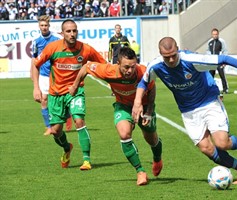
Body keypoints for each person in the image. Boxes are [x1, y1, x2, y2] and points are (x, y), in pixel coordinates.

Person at [132, 37, 237, 184]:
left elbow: (224, 58)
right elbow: (144, 82)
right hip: (188, 111)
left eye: (174, 55)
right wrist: (137, 102)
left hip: (209, 102)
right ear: (160, 54)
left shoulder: (192, 59)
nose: (171, 60)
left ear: (178, 48)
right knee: (206, 149)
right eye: (167, 57)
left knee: (222, 143)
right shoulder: (156, 66)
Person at [69, 47, 163, 186]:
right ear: (118, 63)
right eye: (126, 67)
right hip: (123, 106)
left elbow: (152, 89)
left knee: (151, 139)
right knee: (124, 135)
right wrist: (75, 86)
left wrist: (149, 111)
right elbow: (86, 67)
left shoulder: (143, 71)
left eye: (133, 66)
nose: (130, 71)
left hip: (144, 107)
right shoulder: (108, 71)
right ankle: (140, 171)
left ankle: (157, 158)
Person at [32, 19, 107, 170]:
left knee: (79, 120)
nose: (72, 34)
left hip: (75, 91)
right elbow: (35, 65)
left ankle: (86, 160)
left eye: (74, 31)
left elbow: (104, 65)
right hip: (56, 94)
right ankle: (67, 148)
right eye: (68, 31)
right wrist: (36, 87)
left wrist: (113, 84)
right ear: (62, 33)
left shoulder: (86, 49)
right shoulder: (52, 48)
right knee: (55, 130)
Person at [30, 15, 67, 136]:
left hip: (57, 74)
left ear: (49, 25)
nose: (44, 27)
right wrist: (32, 76)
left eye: (46, 25)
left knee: (60, 99)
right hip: (44, 75)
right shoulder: (36, 42)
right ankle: (49, 127)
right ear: (39, 26)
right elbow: (34, 60)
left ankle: (66, 116)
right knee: (44, 99)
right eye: (42, 25)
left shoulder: (56, 39)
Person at [206, 28, 229, 93]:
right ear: (211, 35)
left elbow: (225, 51)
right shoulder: (210, 42)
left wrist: (224, 62)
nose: (215, 35)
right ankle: (210, 90)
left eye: (216, 34)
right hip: (212, 62)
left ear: (218, 34)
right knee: (210, 76)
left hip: (219, 61)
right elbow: (207, 51)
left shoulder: (221, 41)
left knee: (222, 75)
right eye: (213, 34)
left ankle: (225, 89)